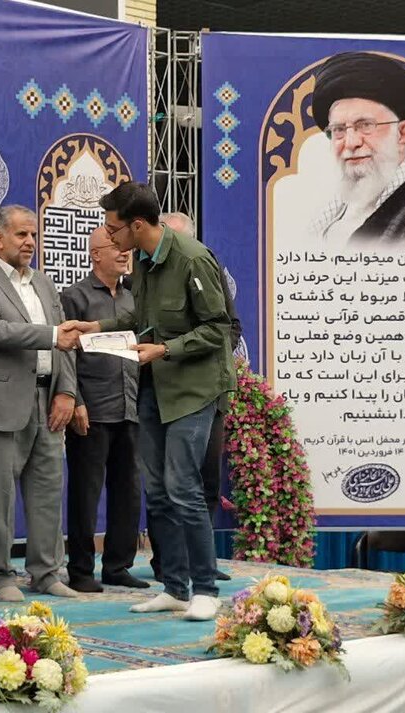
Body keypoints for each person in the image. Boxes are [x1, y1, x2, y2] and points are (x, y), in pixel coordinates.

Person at [66, 182, 234, 621]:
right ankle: (175, 587)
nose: (110, 237)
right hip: (154, 388)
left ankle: (206, 588)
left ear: (137, 225)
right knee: (157, 492)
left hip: (194, 389)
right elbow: (140, 318)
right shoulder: (141, 261)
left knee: (183, 487)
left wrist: (165, 349)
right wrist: (94, 326)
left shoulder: (192, 258)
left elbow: (219, 329)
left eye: (114, 229)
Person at [0, 205, 79, 602]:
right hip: (1, 402)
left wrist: (67, 391)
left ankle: (46, 572)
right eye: (21, 235)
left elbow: (68, 343)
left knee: (48, 490)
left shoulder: (44, 283)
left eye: (33, 235)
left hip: (48, 399)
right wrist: (51, 335)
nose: (30, 242)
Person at [60, 226, 147, 592]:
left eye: (124, 247)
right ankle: (80, 570)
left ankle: (118, 566)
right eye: (114, 247)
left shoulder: (134, 298)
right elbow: (64, 354)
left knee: (128, 491)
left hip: (130, 408)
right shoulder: (74, 297)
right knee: (86, 493)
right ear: (95, 254)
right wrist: (76, 400)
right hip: (91, 410)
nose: (123, 252)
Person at [158, 211, 239, 582]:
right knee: (173, 484)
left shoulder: (207, 268)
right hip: (170, 391)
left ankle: (202, 560)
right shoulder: (153, 272)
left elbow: (229, 327)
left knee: (207, 480)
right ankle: (173, 566)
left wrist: (209, 358)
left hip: (209, 391)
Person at [310, 51, 405, 247]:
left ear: (402, 133)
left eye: (365, 125)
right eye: (339, 129)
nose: (351, 142)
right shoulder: (331, 212)